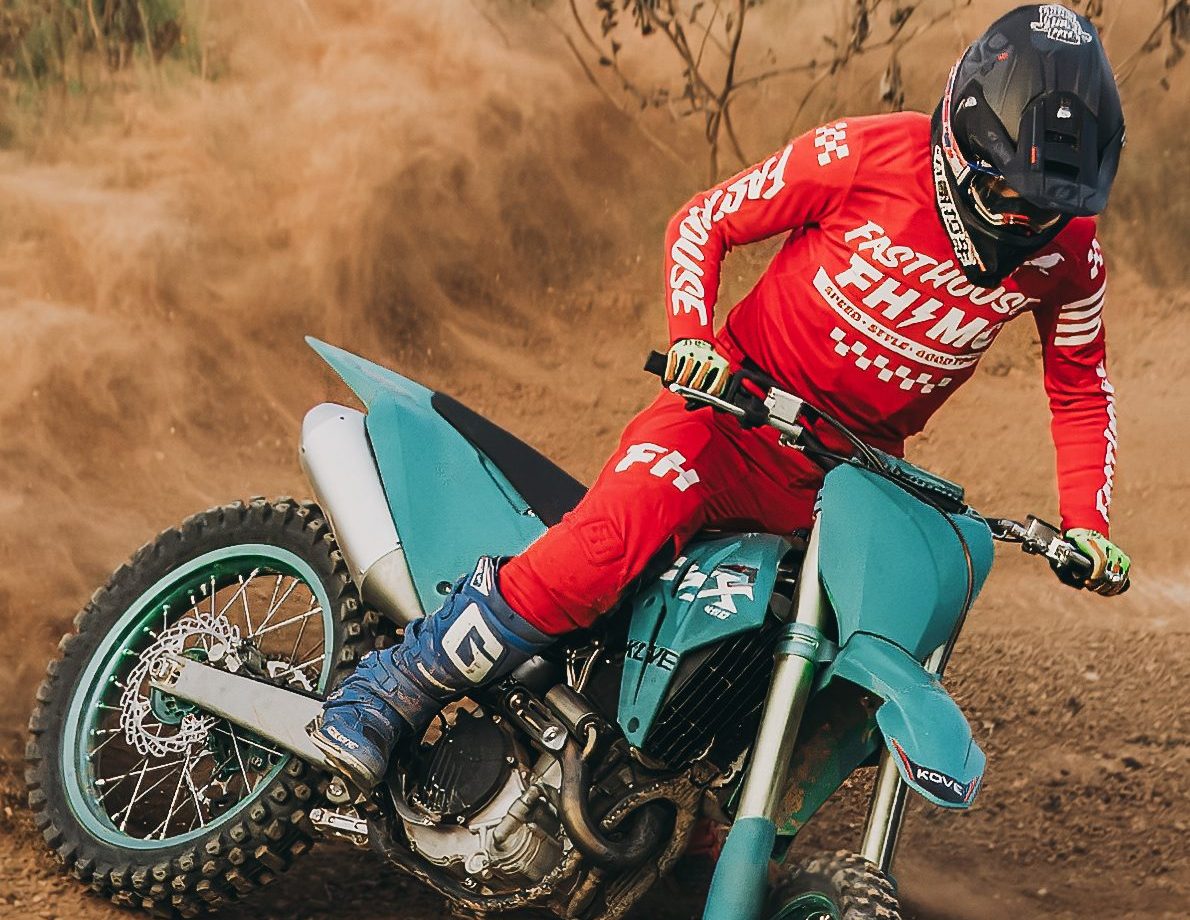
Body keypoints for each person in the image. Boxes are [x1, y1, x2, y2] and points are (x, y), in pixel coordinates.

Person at [310, 3, 1132, 790]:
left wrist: (1086, 525)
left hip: (851, 477)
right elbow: (704, 222)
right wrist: (693, 338)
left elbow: (1080, 386)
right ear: (960, 139)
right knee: (608, 543)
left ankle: (701, 812)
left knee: (849, 653)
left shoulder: (1071, 256)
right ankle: (394, 684)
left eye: (1050, 207)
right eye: (1008, 194)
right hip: (729, 419)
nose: (1025, 221)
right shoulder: (862, 155)